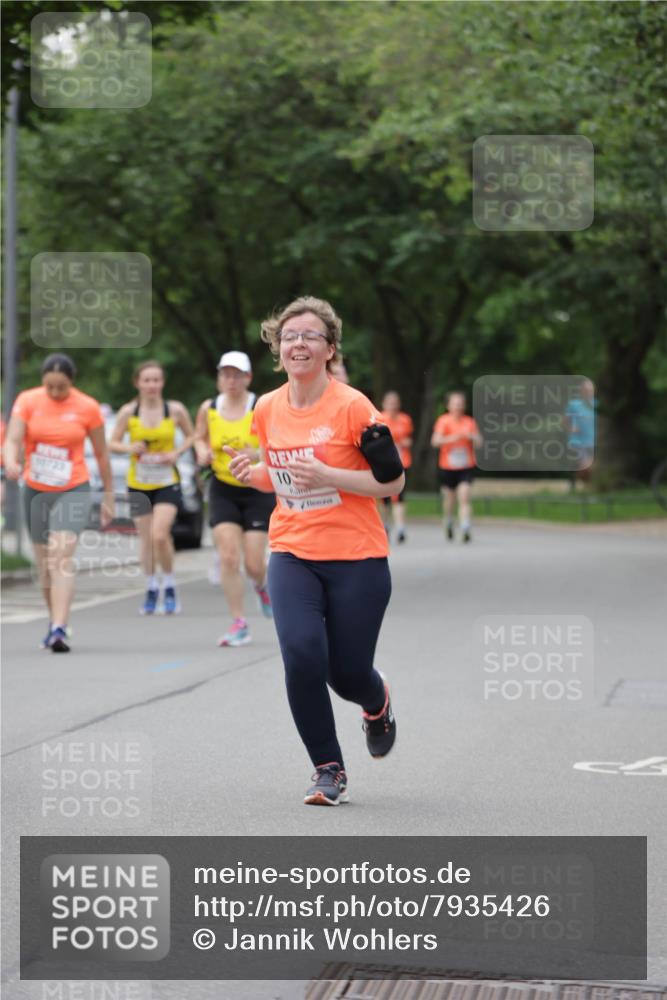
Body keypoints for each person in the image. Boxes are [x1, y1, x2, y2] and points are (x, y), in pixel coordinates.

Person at [226, 296, 404, 806]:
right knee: (302, 656)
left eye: (309, 336)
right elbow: (281, 480)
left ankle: (377, 702)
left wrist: (331, 475)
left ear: (329, 349)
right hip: (293, 551)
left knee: (347, 674)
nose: (297, 343)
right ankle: (328, 769)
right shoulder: (266, 407)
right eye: (288, 337)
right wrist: (253, 472)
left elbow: (391, 481)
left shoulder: (354, 407)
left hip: (357, 558)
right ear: (277, 349)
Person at [2, 354, 114, 652]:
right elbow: (13, 439)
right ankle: (54, 621)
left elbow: (102, 454)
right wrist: (11, 461)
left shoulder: (87, 407)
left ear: (71, 382)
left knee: (60, 556)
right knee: (44, 566)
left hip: (73, 488)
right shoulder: (28, 401)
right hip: (36, 490)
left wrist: (109, 496)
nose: (54, 393)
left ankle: (60, 628)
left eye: (61, 387)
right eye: (49, 386)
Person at [194, 350, 274, 647]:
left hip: (256, 487)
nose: (230, 380)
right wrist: (201, 450)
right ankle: (239, 623)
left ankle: (263, 586)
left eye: (237, 374)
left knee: (254, 562)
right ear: (219, 378)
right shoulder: (209, 408)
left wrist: (258, 454)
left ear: (247, 377)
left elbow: (275, 442)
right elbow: (199, 436)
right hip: (223, 488)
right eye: (225, 374)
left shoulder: (260, 406)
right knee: (228, 556)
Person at [110, 360, 195, 615]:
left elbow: (192, 436)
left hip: (167, 480)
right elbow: (112, 442)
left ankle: (169, 585)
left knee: (160, 535)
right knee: (146, 539)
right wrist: (129, 448)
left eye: (156, 380)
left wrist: (177, 452)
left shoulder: (175, 410)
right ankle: (150, 587)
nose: (152, 385)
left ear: (162, 382)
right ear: (137, 383)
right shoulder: (129, 412)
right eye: (146, 380)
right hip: (138, 482)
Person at [431, 391, 482, 543]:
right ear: (448, 406)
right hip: (448, 466)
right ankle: (448, 521)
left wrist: (472, 437)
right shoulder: (443, 421)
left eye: (460, 404)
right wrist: (451, 438)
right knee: (449, 499)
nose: (458, 407)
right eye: (455, 404)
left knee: (464, 496)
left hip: (465, 466)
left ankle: (465, 526)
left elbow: (479, 442)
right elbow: (435, 441)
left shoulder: (469, 422)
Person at [379, 390, 413, 543]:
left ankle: (400, 528)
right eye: (389, 403)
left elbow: (408, 439)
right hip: (383, 462)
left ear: (398, 404)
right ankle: (385, 525)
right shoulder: (379, 418)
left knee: (399, 496)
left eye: (395, 403)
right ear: (384, 404)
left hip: (402, 461)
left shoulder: (405, 420)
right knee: (384, 497)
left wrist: (404, 442)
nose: (392, 406)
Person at [563, 378, 596, 491]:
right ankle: (583, 486)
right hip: (578, 441)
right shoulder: (574, 405)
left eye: (590, 390)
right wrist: (571, 428)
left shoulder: (597, 405)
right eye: (586, 390)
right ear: (581, 391)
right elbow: (564, 421)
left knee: (585, 467)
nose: (588, 392)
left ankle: (577, 485)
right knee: (586, 465)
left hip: (593, 441)